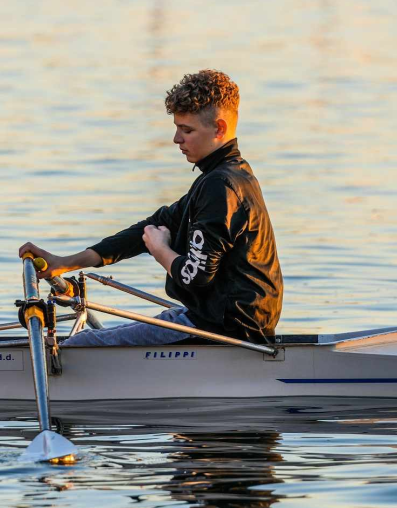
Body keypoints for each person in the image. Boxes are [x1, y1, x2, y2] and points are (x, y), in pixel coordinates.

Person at [19, 69, 282, 346]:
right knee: (90, 339)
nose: (176, 139)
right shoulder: (224, 178)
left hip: (227, 332)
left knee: (78, 348)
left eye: (187, 130)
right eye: (177, 128)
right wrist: (65, 263)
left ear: (219, 128)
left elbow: (195, 278)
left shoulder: (222, 187)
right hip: (220, 320)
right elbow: (149, 229)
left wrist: (160, 251)